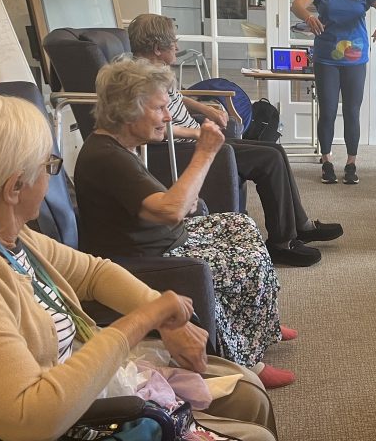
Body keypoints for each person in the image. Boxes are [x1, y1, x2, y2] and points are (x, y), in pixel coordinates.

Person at [0, 92, 306, 441]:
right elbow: (26, 416)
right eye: (49, 166)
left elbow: (92, 272)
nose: (53, 177)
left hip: (82, 378)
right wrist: (141, 324)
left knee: (246, 388)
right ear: (14, 186)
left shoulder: (0, 229)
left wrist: (166, 316)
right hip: (59, 432)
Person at [74, 58, 294, 389]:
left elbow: (165, 205)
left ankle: (264, 326)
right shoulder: (107, 158)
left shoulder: (118, 147)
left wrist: (183, 199)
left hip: (164, 238)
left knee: (242, 227)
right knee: (242, 261)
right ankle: (247, 362)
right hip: (149, 256)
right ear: (128, 109)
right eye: (160, 108)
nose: (167, 116)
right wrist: (204, 153)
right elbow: (171, 209)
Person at [128, 13, 342, 268]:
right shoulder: (142, 81)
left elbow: (176, 98)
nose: (177, 46)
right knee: (269, 158)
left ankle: (300, 226)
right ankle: (281, 243)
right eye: (173, 41)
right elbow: (155, 130)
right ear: (156, 48)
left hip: (196, 139)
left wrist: (204, 109)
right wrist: (198, 134)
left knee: (274, 149)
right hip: (184, 150)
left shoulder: (154, 72)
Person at [290, 0, 376, 185]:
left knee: (352, 111)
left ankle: (351, 162)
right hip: (326, 57)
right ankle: (326, 161)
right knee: (327, 111)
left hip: (356, 58)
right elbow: (298, 4)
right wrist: (308, 17)